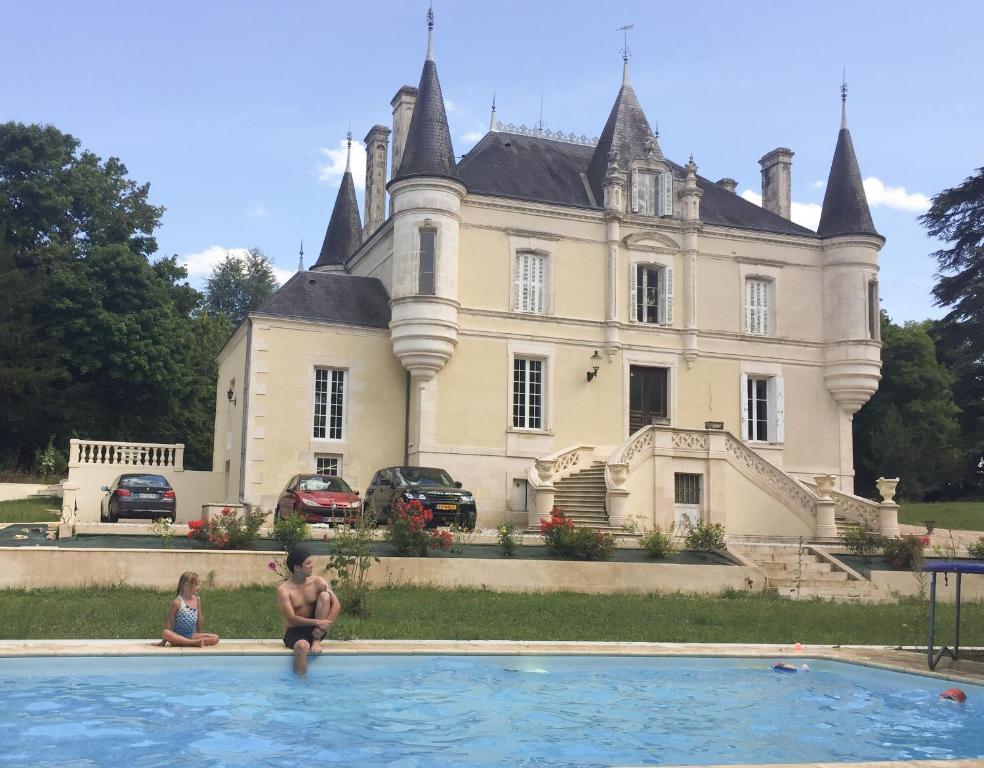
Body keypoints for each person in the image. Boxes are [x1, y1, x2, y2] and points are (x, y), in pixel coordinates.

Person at [276, 546, 342, 675]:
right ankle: (300, 685)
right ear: (297, 567)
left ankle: (316, 640)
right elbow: (292, 619)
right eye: (308, 563)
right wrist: (318, 622)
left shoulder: (318, 581)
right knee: (302, 647)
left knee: (325, 595)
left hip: (317, 630)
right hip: (294, 631)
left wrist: (323, 626)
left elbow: (337, 605)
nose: (312, 566)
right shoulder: (284, 590)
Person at [161, 571, 220, 648]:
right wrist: (164, 641)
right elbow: (169, 621)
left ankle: (191, 642)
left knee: (215, 638)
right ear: (186, 586)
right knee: (166, 633)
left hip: (191, 636)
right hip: (177, 636)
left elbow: (199, 619)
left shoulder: (197, 600)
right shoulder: (177, 602)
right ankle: (192, 643)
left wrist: (200, 635)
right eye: (196, 585)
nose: (198, 588)